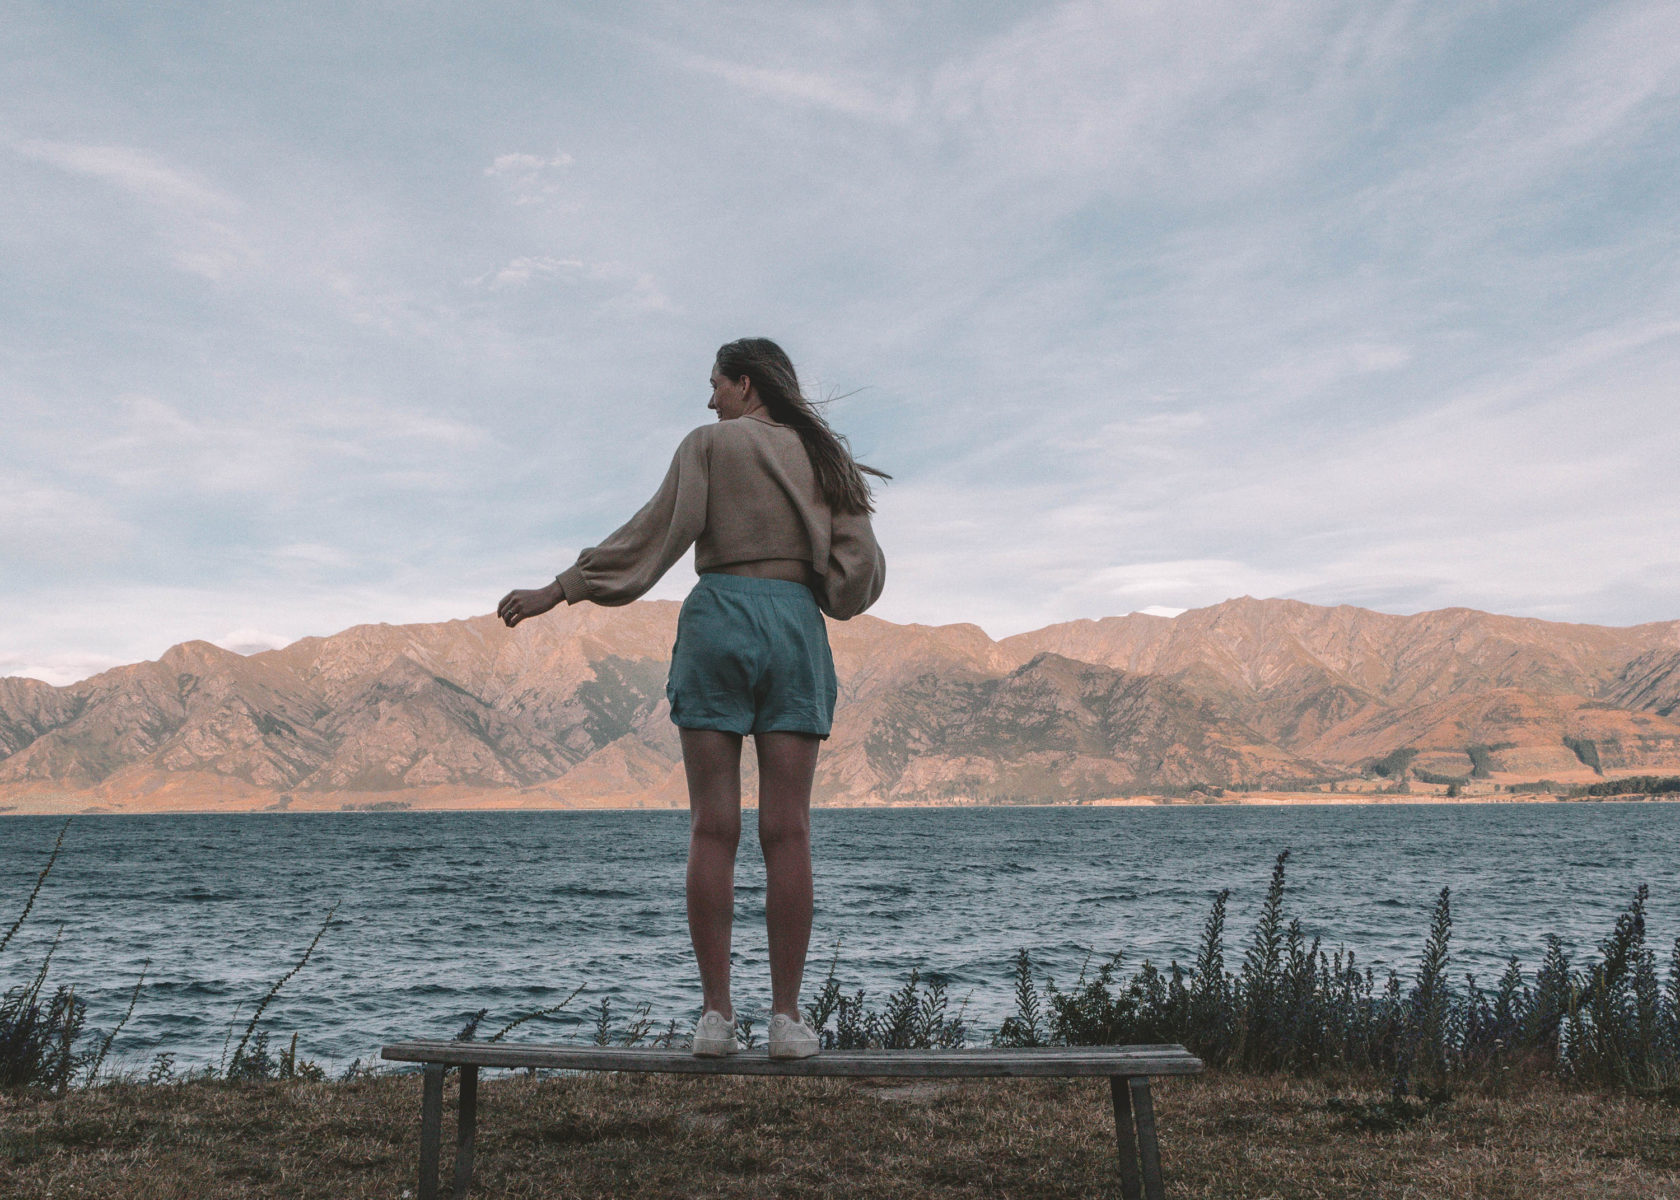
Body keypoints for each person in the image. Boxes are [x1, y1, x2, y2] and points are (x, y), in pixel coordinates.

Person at [497, 338, 886, 1059]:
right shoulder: (823, 456)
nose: (709, 400)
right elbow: (857, 573)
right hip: (795, 625)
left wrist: (560, 589)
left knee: (713, 828)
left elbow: (653, 536)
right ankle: (788, 1022)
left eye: (715, 385)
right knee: (788, 830)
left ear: (745, 383)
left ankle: (715, 1018)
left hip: (719, 622)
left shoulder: (708, 446)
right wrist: (813, 589)